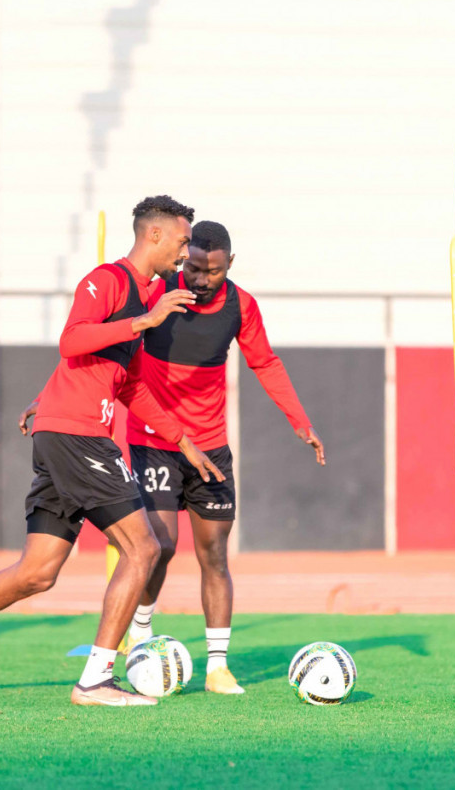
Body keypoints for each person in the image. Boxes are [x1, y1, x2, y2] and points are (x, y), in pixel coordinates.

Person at [0, 195, 225, 706]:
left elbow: (130, 384)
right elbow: (71, 341)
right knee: (145, 548)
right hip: (78, 436)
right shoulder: (107, 281)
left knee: (37, 573)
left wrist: (182, 441)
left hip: (69, 431)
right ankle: (95, 680)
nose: (186, 252)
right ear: (153, 235)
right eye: (181, 241)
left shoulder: (150, 293)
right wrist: (143, 323)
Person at [124, 220, 325, 694]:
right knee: (161, 544)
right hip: (154, 439)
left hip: (209, 445)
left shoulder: (241, 306)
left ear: (229, 264)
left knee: (214, 553)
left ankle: (217, 667)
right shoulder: (157, 292)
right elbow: (109, 344)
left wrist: (299, 420)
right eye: (193, 267)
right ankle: (141, 631)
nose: (200, 278)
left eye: (212, 271)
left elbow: (265, 363)